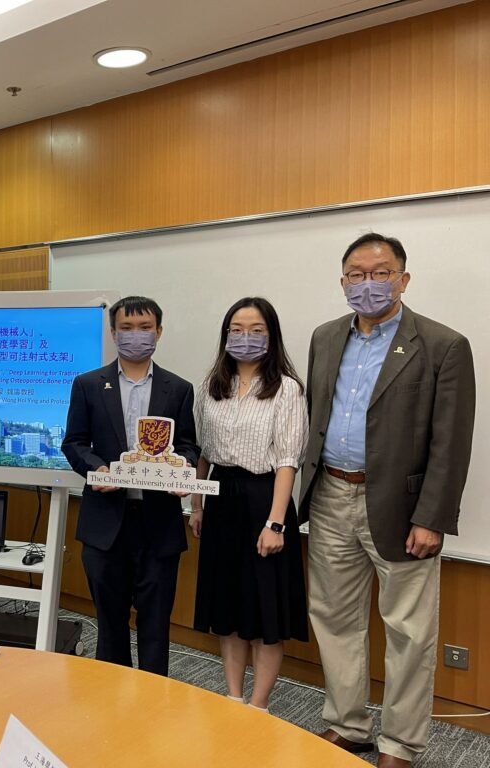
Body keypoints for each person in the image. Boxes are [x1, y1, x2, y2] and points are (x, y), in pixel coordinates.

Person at [300, 234, 475, 767]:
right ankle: (348, 725)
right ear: (342, 281)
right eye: (356, 274)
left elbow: (451, 440)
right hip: (331, 493)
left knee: (409, 631)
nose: (368, 284)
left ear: (404, 277)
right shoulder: (325, 337)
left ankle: (400, 744)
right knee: (333, 616)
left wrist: (432, 517)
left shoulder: (444, 344)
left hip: (403, 510)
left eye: (381, 272)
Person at [62, 296, 199, 675]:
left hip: (158, 525)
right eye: (126, 328)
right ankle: (112, 702)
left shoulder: (179, 388)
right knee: (110, 624)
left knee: (156, 626)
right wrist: (98, 469)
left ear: (159, 331)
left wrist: (182, 469)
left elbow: (187, 445)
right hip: (105, 526)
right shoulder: (89, 384)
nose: (136, 336)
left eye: (144, 328)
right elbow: (74, 443)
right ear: (113, 332)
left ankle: (152, 704)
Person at [188, 297, 309, 712]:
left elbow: (289, 461)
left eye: (256, 330)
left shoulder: (286, 388)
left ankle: (258, 706)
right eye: (237, 329)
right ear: (225, 335)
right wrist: (197, 505)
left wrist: (276, 524)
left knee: (264, 615)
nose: (246, 338)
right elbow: (203, 452)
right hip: (220, 499)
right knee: (228, 608)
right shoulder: (210, 386)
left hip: (265, 501)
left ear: (271, 336)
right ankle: (234, 698)